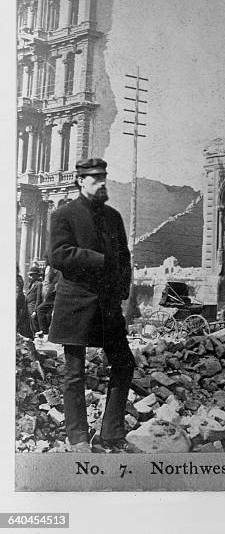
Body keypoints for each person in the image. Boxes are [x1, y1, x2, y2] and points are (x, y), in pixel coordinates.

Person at [48, 158, 138, 453]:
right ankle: (78, 438)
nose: (102, 183)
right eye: (95, 178)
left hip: (108, 304)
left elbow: (123, 257)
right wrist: (98, 260)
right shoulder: (64, 214)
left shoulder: (113, 217)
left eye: (104, 177)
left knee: (124, 363)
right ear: (80, 181)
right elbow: (58, 255)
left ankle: (111, 433)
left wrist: (122, 291)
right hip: (76, 301)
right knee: (74, 373)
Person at [36, 263, 60, 336]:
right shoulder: (49, 270)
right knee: (47, 313)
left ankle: (44, 331)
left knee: (40, 309)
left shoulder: (57, 273)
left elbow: (56, 285)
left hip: (54, 297)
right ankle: (45, 331)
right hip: (50, 296)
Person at [25, 265, 43, 338]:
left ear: (37, 275)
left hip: (33, 305)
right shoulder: (31, 284)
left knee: (33, 319)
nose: (31, 276)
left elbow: (39, 298)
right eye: (30, 275)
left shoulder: (39, 284)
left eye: (33, 275)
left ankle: (36, 334)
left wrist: (35, 310)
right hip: (28, 305)